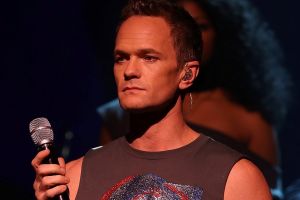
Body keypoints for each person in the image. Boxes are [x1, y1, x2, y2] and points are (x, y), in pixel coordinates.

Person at [31, 0, 272, 199]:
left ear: (187, 74)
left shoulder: (236, 178)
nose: (130, 71)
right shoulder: (74, 176)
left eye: (149, 58)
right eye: (121, 58)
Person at [96, 0, 291, 198]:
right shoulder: (117, 115)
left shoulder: (249, 119)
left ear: (222, 33)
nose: (191, 36)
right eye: (121, 58)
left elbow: (270, 191)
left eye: (200, 27)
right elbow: (103, 181)